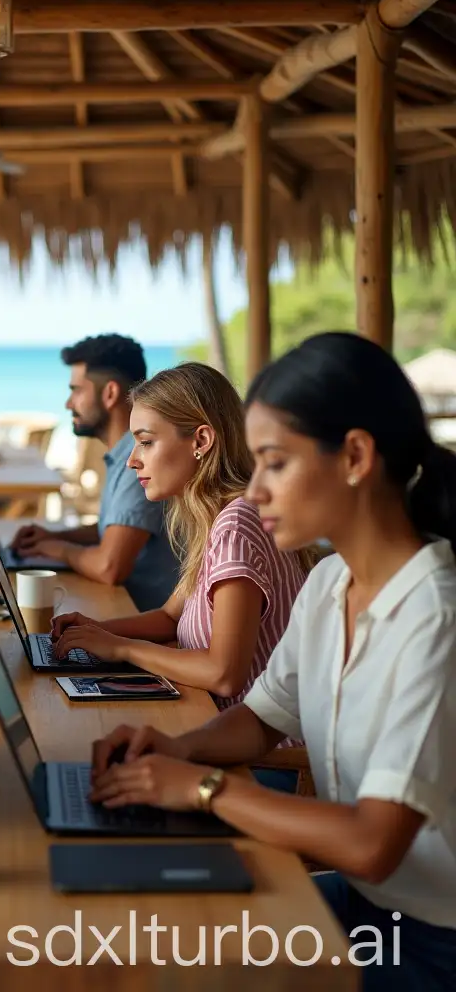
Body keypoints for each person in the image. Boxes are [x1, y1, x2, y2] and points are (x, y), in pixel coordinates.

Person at [88, 333, 456, 989]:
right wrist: (177, 749)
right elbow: (258, 719)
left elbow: (374, 844)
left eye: (274, 463)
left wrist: (206, 789)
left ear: (355, 456)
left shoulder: (436, 618)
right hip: (366, 904)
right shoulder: (330, 584)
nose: (253, 491)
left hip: (430, 945)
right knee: (146, 936)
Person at [52, 363, 313, 744]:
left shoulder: (236, 526)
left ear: (201, 440)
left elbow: (224, 673)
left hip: (266, 762)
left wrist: (122, 647)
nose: (132, 460)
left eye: (146, 441)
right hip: (213, 730)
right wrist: (93, 629)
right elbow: (170, 617)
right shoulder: (216, 517)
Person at [11, 334, 179, 611]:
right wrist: (56, 536)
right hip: (125, 611)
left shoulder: (137, 462)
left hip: (144, 620)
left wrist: (57, 549)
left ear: (110, 393)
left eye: (76, 390)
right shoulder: (124, 454)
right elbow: (113, 529)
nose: (68, 403)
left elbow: (109, 567)